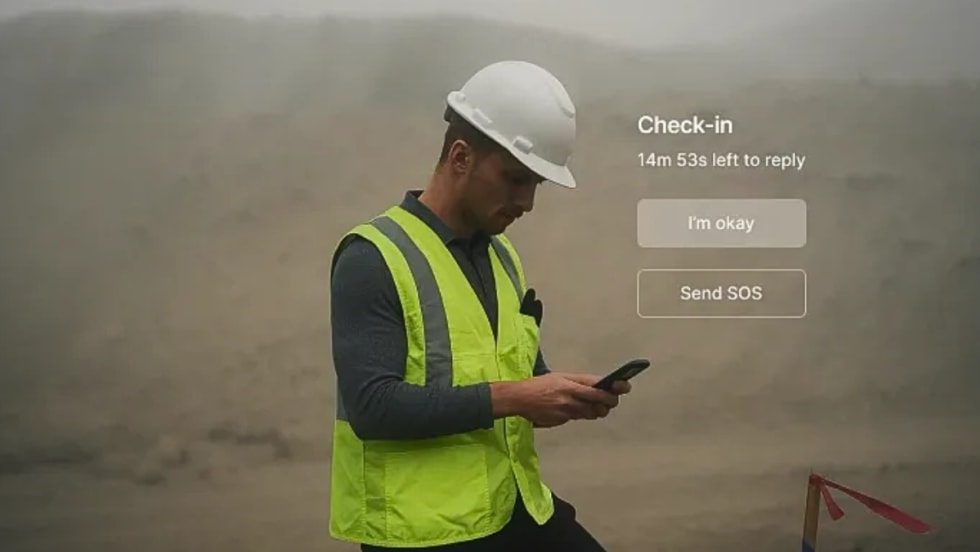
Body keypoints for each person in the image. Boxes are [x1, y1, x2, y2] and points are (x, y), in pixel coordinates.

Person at [328, 60, 631, 552]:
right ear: (461, 157)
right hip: (422, 535)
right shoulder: (372, 258)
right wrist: (519, 397)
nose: (528, 201)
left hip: (513, 509)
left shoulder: (502, 255)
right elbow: (373, 407)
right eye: (515, 179)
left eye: (537, 183)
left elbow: (515, 375)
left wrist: (562, 393)